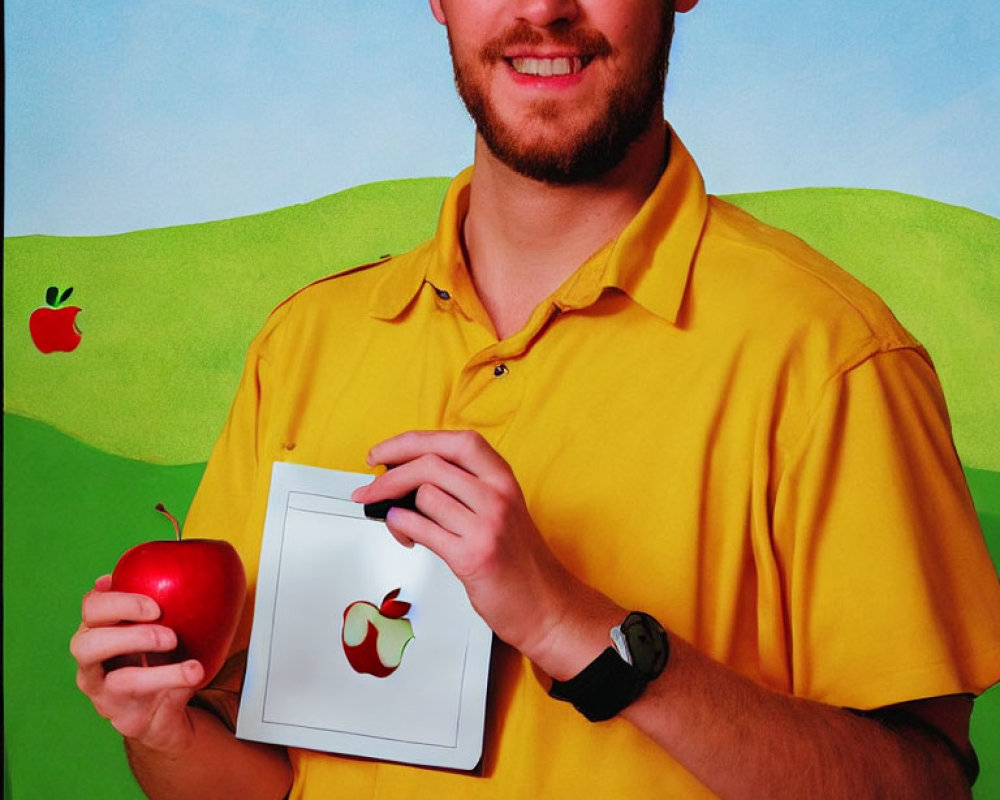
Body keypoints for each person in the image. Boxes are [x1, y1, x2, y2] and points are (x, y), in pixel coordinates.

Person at [71, 1, 1000, 798]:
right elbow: (267, 778)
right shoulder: (308, 342)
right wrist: (163, 734)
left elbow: (920, 783)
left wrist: (570, 624)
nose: (545, 9)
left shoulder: (833, 358)